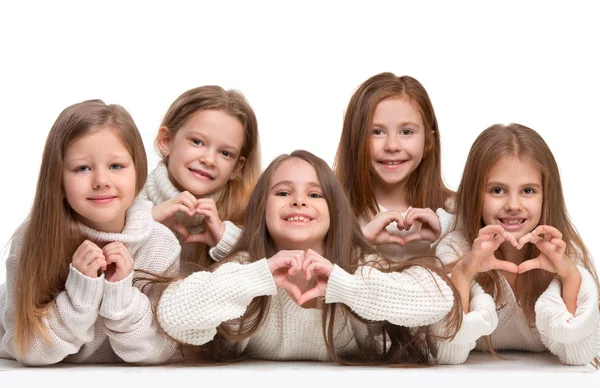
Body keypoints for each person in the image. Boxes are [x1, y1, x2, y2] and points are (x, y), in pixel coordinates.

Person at [157, 150, 460, 365]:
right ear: (261, 210)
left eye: (315, 195)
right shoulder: (247, 268)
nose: (299, 201)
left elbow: (439, 298)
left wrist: (346, 286)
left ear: (336, 212)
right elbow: (172, 313)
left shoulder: (355, 266)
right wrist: (257, 278)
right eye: (283, 193)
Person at [0, 100, 180, 366]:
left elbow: (157, 351)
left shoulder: (161, 245)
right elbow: (27, 350)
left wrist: (121, 297)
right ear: (58, 179)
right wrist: (80, 295)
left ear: (138, 171)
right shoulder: (32, 239)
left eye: (116, 166)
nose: (101, 181)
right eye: (82, 168)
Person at [435, 123, 600, 366]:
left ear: (546, 196)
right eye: (497, 190)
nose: (513, 204)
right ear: (475, 195)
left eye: (528, 191)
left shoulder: (563, 252)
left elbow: (577, 355)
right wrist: (463, 273)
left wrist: (570, 276)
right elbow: (447, 355)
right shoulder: (455, 249)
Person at [334, 73, 454, 262]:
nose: (392, 145)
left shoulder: (454, 214)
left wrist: (447, 230)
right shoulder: (332, 212)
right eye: (377, 132)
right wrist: (360, 244)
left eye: (406, 132)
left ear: (428, 142)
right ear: (355, 141)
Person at [138, 85, 261, 267]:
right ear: (166, 141)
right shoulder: (128, 201)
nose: (209, 160)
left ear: (236, 168)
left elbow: (266, 281)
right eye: (197, 142)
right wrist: (144, 223)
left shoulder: (246, 221)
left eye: (225, 153)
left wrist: (227, 242)